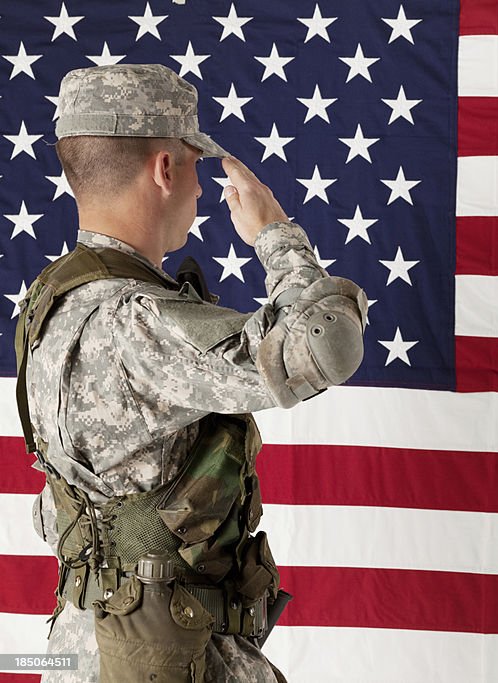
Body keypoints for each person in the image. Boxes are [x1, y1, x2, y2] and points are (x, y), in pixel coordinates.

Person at [15, 64, 368, 682]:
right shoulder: (141, 326)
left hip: (83, 642)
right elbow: (328, 343)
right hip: (169, 654)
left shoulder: (48, 302)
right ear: (166, 169)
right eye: (196, 167)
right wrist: (276, 234)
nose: (203, 190)